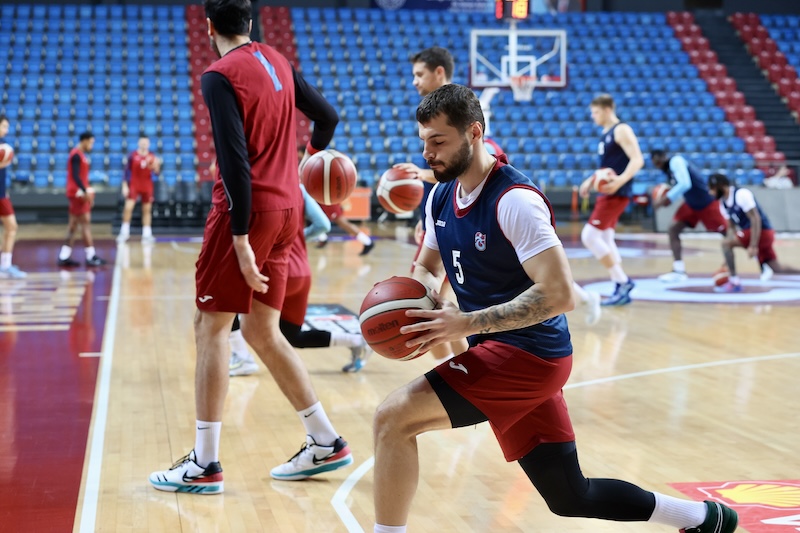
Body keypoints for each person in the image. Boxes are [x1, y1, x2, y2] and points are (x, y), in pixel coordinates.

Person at [371, 84, 738, 533]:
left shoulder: (514, 201)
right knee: (569, 495)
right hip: (501, 353)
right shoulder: (439, 198)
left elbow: (559, 294)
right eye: (424, 141)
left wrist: (463, 322)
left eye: (439, 141)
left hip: (529, 356)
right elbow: (427, 269)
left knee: (392, 419)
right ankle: (705, 518)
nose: (428, 153)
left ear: (474, 133)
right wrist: (413, 305)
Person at [149, 0, 352, 493]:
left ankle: (204, 463)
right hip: (287, 212)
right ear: (252, 23)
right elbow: (327, 116)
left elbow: (234, 161)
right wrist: (309, 157)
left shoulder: (219, 75)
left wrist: (238, 237)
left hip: (249, 212)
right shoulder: (278, 59)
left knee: (210, 328)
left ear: (209, 26)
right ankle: (325, 439)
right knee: (262, 331)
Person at [229, 182, 371, 376]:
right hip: (302, 272)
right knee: (292, 336)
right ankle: (356, 340)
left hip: (275, 271)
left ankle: (241, 357)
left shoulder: (254, 187)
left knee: (227, 306)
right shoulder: (298, 188)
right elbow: (323, 225)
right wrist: (299, 238)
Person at [577, 94, 643, 306]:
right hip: (610, 192)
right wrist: (589, 181)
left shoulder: (621, 130)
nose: (593, 116)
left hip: (617, 193)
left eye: (595, 112)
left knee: (589, 236)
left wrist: (621, 181)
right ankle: (620, 283)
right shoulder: (606, 133)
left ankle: (622, 281)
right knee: (605, 238)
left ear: (606, 110)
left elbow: (638, 159)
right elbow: (606, 167)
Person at [708, 173, 800, 292]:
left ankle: (734, 282)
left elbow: (755, 219)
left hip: (762, 231)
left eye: (712, 188)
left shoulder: (741, 194)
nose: (711, 192)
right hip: (754, 233)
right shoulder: (723, 203)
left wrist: (753, 245)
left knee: (725, 244)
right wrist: (727, 256)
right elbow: (731, 228)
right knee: (776, 268)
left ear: (720, 185)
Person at [651, 150, 727, 282]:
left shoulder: (676, 161)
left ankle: (759, 255)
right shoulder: (668, 171)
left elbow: (685, 184)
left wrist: (667, 198)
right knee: (673, 229)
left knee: (728, 233)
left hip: (706, 202)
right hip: (691, 204)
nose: (657, 165)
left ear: (664, 157)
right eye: (654, 163)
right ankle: (679, 270)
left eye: (658, 161)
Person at [58, 132, 107, 267]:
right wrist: (85, 192)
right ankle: (90, 256)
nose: (92, 145)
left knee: (73, 226)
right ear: (84, 141)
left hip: (76, 193)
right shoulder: (76, 155)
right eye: (90, 142)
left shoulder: (80, 155)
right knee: (85, 224)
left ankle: (64, 255)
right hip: (78, 194)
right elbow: (75, 175)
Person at [117, 135, 161, 244]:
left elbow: (157, 172)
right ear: (138, 143)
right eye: (142, 142)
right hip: (134, 185)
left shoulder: (152, 156)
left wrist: (155, 166)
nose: (144, 144)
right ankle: (124, 233)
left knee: (146, 210)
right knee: (128, 208)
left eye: (146, 143)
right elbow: (126, 172)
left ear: (148, 144)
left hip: (147, 185)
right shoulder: (132, 155)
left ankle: (147, 234)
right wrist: (124, 185)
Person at [0, 116, 26, 279]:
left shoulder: (4, 144)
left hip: (2, 194)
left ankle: (6, 265)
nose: (6, 129)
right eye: (4, 126)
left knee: (12, 226)